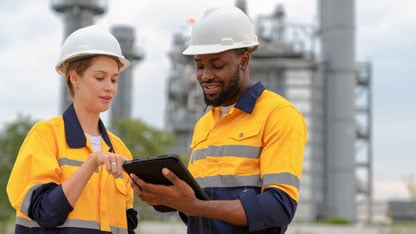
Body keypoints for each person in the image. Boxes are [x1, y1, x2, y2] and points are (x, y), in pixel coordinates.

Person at [130, 6, 307, 234]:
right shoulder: (204, 123)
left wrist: (194, 206)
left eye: (217, 65)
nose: (205, 75)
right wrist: (169, 198)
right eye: (200, 65)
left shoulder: (278, 114)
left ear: (243, 60)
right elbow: (200, 211)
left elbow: (279, 207)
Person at [7, 25, 138, 234]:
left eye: (114, 79)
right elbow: (46, 212)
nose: (109, 87)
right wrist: (92, 163)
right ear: (74, 78)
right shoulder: (45, 136)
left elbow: (126, 223)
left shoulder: (119, 149)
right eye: (100, 77)